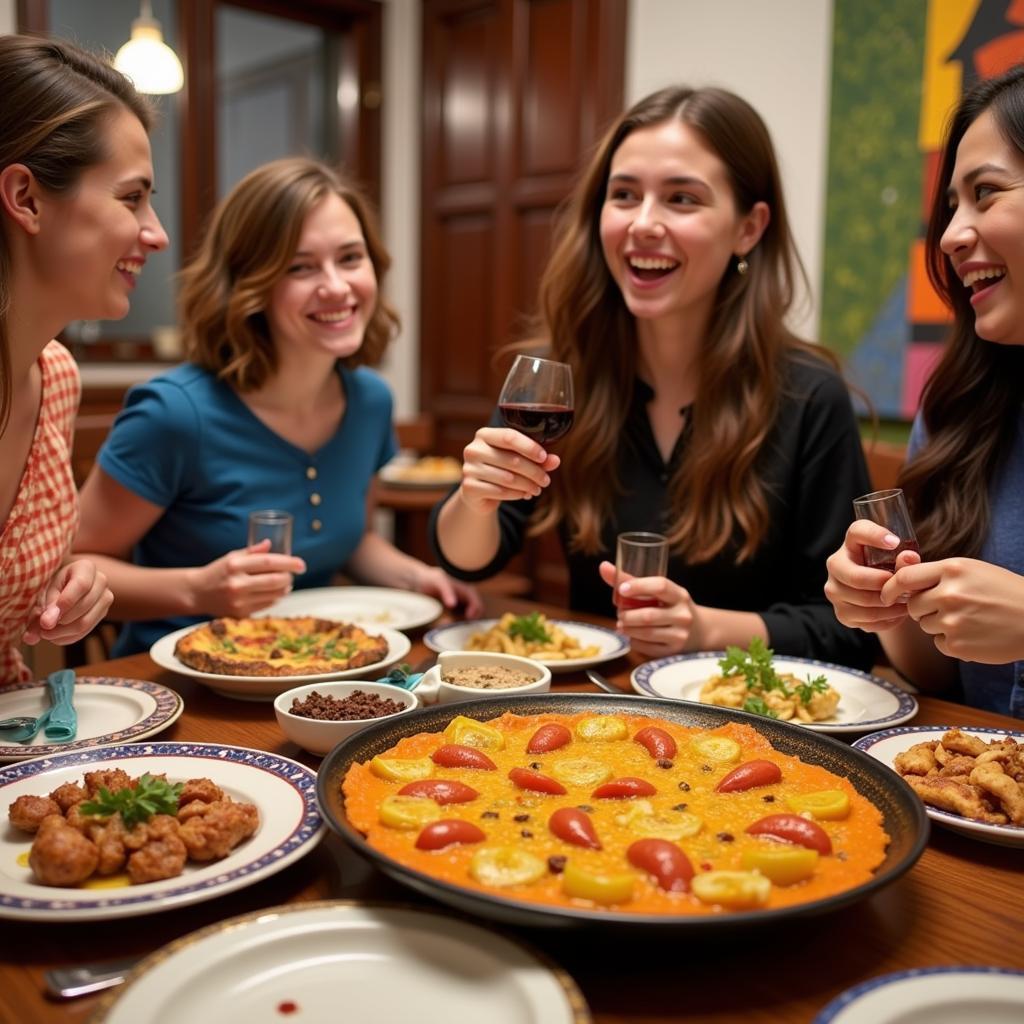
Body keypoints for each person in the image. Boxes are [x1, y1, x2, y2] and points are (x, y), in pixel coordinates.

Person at [430, 85, 876, 668]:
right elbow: (468, 560)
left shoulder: (810, 395)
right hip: (592, 721)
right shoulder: (561, 376)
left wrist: (701, 628)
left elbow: (852, 631)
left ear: (749, 227)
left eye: (682, 199)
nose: (643, 224)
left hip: (754, 727)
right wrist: (477, 496)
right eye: (623, 195)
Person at [75, 157, 480, 656]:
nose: (336, 286)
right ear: (249, 285)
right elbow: (78, 566)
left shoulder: (371, 401)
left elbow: (348, 537)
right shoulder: (174, 414)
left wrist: (420, 577)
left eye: (350, 258)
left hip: (315, 673)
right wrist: (197, 589)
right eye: (300, 267)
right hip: (177, 688)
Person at [824, 65, 1024, 717]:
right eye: (950, 207)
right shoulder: (959, 404)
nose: (949, 236)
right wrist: (890, 607)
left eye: (986, 193)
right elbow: (937, 675)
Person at [0, 35, 168, 683]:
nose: (157, 233)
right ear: (27, 199)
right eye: (131, 198)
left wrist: (74, 585)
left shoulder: (57, 379)